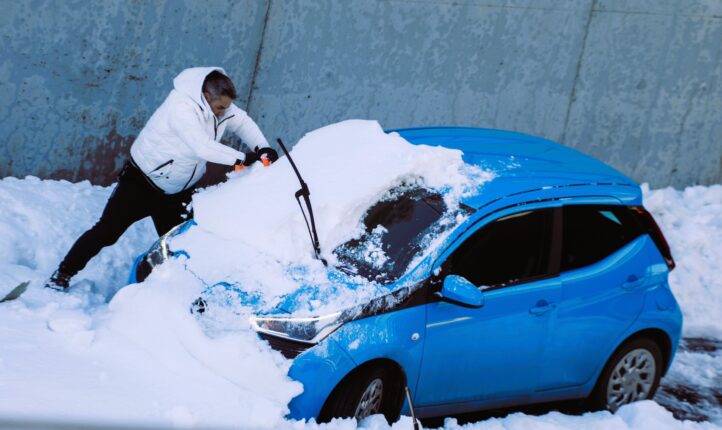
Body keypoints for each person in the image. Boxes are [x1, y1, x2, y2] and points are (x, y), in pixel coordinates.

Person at [44, 67, 278, 291]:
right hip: (141, 184)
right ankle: (63, 273)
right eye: (219, 107)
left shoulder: (220, 107)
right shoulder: (180, 107)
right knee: (107, 232)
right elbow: (202, 147)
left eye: (226, 108)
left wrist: (263, 148)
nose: (223, 112)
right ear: (205, 96)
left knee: (185, 242)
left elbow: (243, 121)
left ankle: (175, 292)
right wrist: (242, 158)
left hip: (177, 192)